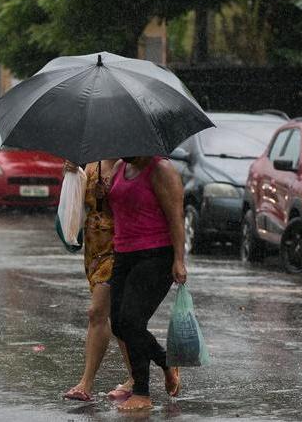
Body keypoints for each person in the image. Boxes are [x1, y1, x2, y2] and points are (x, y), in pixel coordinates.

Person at [106, 155, 186, 411]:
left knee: (132, 321)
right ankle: (165, 360)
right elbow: (118, 208)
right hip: (123, 253)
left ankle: (142, 392)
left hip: (156, 255)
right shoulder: (120, 167)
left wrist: (179, 260)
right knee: (118, 324)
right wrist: (101, 194)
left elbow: (176, 217)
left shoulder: (161, 170)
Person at [61, 159, 134, 402]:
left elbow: (137, 204)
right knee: (118, 316)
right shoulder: (91, 167)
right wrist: (73, 177)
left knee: (96, 312)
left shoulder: (131, 166)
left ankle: (86, 383)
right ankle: (139, 375)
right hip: (94, 248)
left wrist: (112, 191)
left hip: (119, 246)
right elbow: (80, 206)